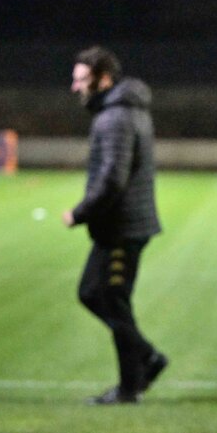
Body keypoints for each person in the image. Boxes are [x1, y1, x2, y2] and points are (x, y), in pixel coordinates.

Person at [64, 46, 167, 405]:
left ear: (103, 79)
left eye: (81, 79)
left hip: (122, 226)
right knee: (106, 297)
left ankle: (146, 362)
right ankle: (132, 383)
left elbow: (112, 178)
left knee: (101, 295)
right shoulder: (127, 110)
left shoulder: (115, 117)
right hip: (125, 224)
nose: (76, 87)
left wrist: (79, 213)